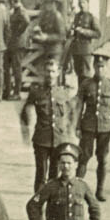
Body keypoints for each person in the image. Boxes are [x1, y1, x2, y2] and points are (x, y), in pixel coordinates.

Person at [20, 56, 77, 192]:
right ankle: (38, 205)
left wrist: (71, 133)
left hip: (59, 139)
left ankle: (52, 205)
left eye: (53, 71)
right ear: (44, 73)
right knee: (41, 174)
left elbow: (72, 114)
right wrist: (26, 133)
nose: (50, 75)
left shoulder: (64, 93)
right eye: (48, 71)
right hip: (41, 139)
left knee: (55, 174)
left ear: (58, 73)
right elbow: (24, 112)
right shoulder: (36, 91)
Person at [74, 53, 110, 201]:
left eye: (103, 67)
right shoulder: (86, 84)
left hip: (105, 128)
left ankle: (100, 191)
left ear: (106, 68)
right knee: (83, 158)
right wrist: (77, 126)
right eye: (97, 66)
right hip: (88, 126)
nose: (100, 69)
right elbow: (78, 107)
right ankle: (77, 190)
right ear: (94, 67)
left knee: (103, 159)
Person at [67, 0, 101, 85]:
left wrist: (84, 31)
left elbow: (98, 34)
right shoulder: (76, 16)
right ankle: (81, 93)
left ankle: (87, 92)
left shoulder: (91, 17)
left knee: (86, 74)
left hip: (86, 50)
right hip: (76, 50)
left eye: (83, 2)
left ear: (88, 4)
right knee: (78, 73)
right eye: (80, 3)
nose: (81, 5)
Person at [4, 0, 30, 101]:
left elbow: (26, 22)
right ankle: (8, 91)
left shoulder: (21, 11)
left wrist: (18, 33)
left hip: (18, 44)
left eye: (10, 1)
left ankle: (17, 93)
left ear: (13, 1)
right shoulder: (16, 11)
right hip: (13, 43)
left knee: (17, 69)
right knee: (9, 67)